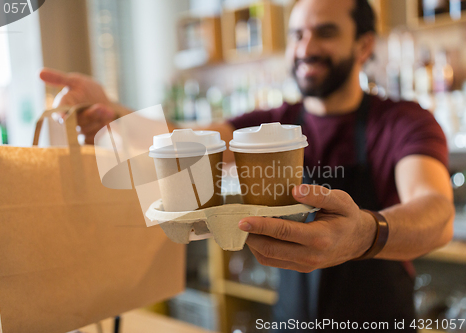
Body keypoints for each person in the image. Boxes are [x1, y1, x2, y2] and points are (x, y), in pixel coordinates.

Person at [40, 0, 454, 331]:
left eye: (325, 32)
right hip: (292, 316)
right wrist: (111, 110)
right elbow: (183, 139)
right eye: (297, 34)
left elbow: (436, 212)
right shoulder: (266, 127)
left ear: (364, 45)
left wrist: (364, 233)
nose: (306, 48)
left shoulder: (403, 120)